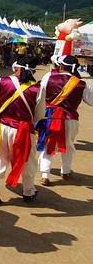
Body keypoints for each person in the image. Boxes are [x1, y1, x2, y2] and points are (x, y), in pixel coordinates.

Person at [0, 55, 45, 206]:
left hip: (2, 128)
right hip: (23, 130)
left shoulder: (4, 81)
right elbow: (39, 114)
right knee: (25, 159)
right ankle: (28, 192)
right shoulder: (38, 88)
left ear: (18, 68)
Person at [37, 55, 93, 185]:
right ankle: (65, 171)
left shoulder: (48, 78)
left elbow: (39, 97)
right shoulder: (81, 84)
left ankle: (45, 174)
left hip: (50, 116)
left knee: (48, 143)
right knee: (68, 144)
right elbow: (91, 100)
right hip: (70, 118)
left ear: (61, 66)